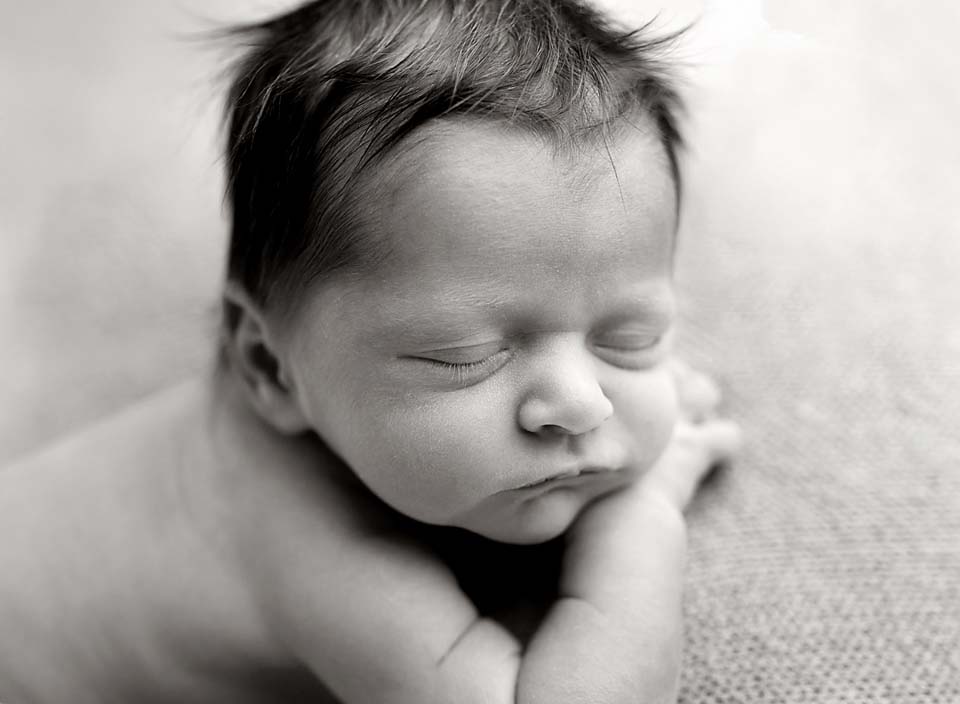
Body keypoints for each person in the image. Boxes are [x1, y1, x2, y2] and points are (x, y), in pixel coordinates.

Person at [0, 0, 741, 702]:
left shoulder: (343, 399)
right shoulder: (306, 542)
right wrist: (646, 511)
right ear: (268, 367)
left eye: (628, 338)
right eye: (464, 356)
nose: (583, 403)